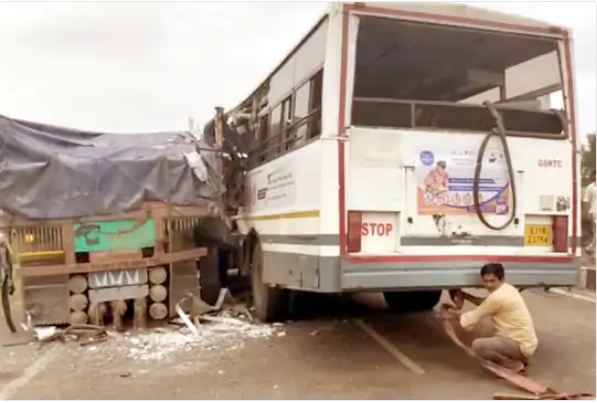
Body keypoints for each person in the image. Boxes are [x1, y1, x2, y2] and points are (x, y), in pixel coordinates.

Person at [445, 263, 537, 373]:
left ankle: (512, 365)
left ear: (501, 279)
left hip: (520, 345)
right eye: (486, 281)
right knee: (488, 333)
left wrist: (447, 317)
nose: (489, 285)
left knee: (477, 345)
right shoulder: (507, 289)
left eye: (492, 281)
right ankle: (518, 358)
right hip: (526, 344)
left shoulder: (497, 297)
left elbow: (472, 317)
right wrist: (465, 296)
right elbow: (485, 303)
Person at [583, 170, 596, 255]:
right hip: (594, 213)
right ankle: (591, 248)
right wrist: (586, 214)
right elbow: (586, 202)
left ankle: (591, 247)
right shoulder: (590, 188)